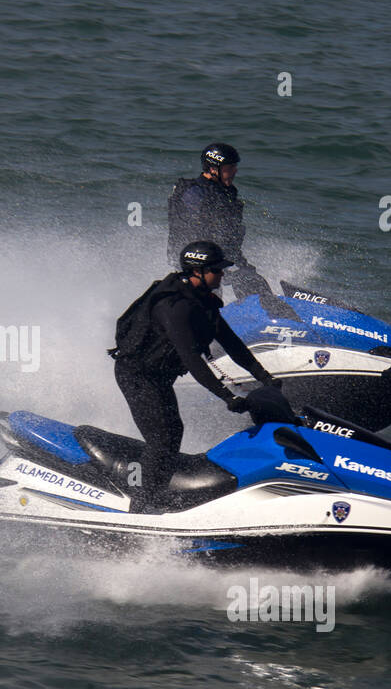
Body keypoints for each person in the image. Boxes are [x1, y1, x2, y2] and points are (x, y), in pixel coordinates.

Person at [109, 240, 282, 514]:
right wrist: (227, 397)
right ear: (198, 271)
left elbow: (232, 343)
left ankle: (156, 493)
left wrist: (265, 377)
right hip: (137, 375)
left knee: (173, 433)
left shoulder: (203, 303)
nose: (222, 275)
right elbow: (192, 359)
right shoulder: (175, 307)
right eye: (217, 270)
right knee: (162, 438)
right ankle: (141, 506)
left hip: (159, 376)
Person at [167, 142, 272, 299]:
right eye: (229, 168)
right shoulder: (194, 193)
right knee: (213, 293)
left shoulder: (226, 192)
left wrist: (236, 260)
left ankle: (269, 312)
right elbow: (191, 230)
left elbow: (229, 231)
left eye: (234, 167)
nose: (235, 171)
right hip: (197, 261)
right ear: (213, 169)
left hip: (222, 254)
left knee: (251, 278)